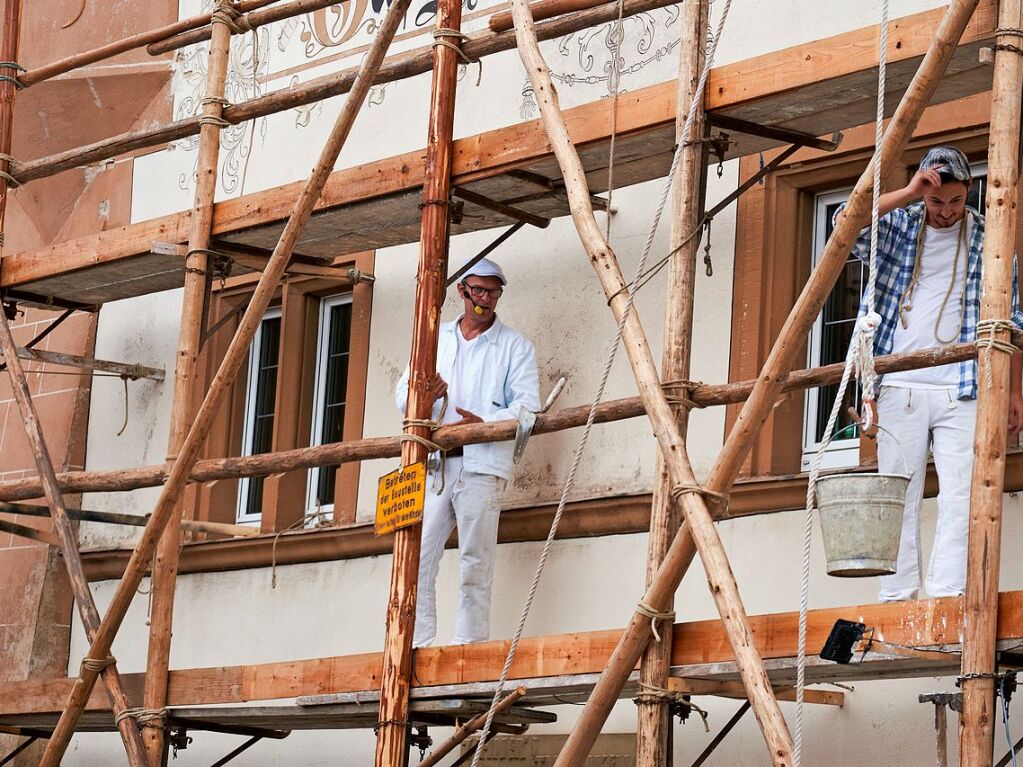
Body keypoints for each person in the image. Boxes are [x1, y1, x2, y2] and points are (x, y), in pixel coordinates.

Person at [839, 145, 1023, 602]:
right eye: (937, 201)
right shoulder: (902, 223)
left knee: (962, 494)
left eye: (955, 201)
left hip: (963, 386)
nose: (945, 211)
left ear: (970, 192)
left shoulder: (990, 240)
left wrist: (1015, 391)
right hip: (899, 382)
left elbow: (1011, 322)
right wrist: (908, 192)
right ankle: (896, 598)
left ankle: (947, 597)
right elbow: (846, 222)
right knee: (896, 495)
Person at [395, 258, 540, 646]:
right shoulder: (434, 337)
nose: (486, 299)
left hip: (482, 464)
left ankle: (468, 653)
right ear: (462, 291)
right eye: (478, 290)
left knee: (476, 564)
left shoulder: (515, 346)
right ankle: (417, 647)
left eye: (493, 292)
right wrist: (425, 397)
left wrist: (484, 422)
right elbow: (402, 395)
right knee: (418, 557)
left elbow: (529, 409)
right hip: (435, 466)